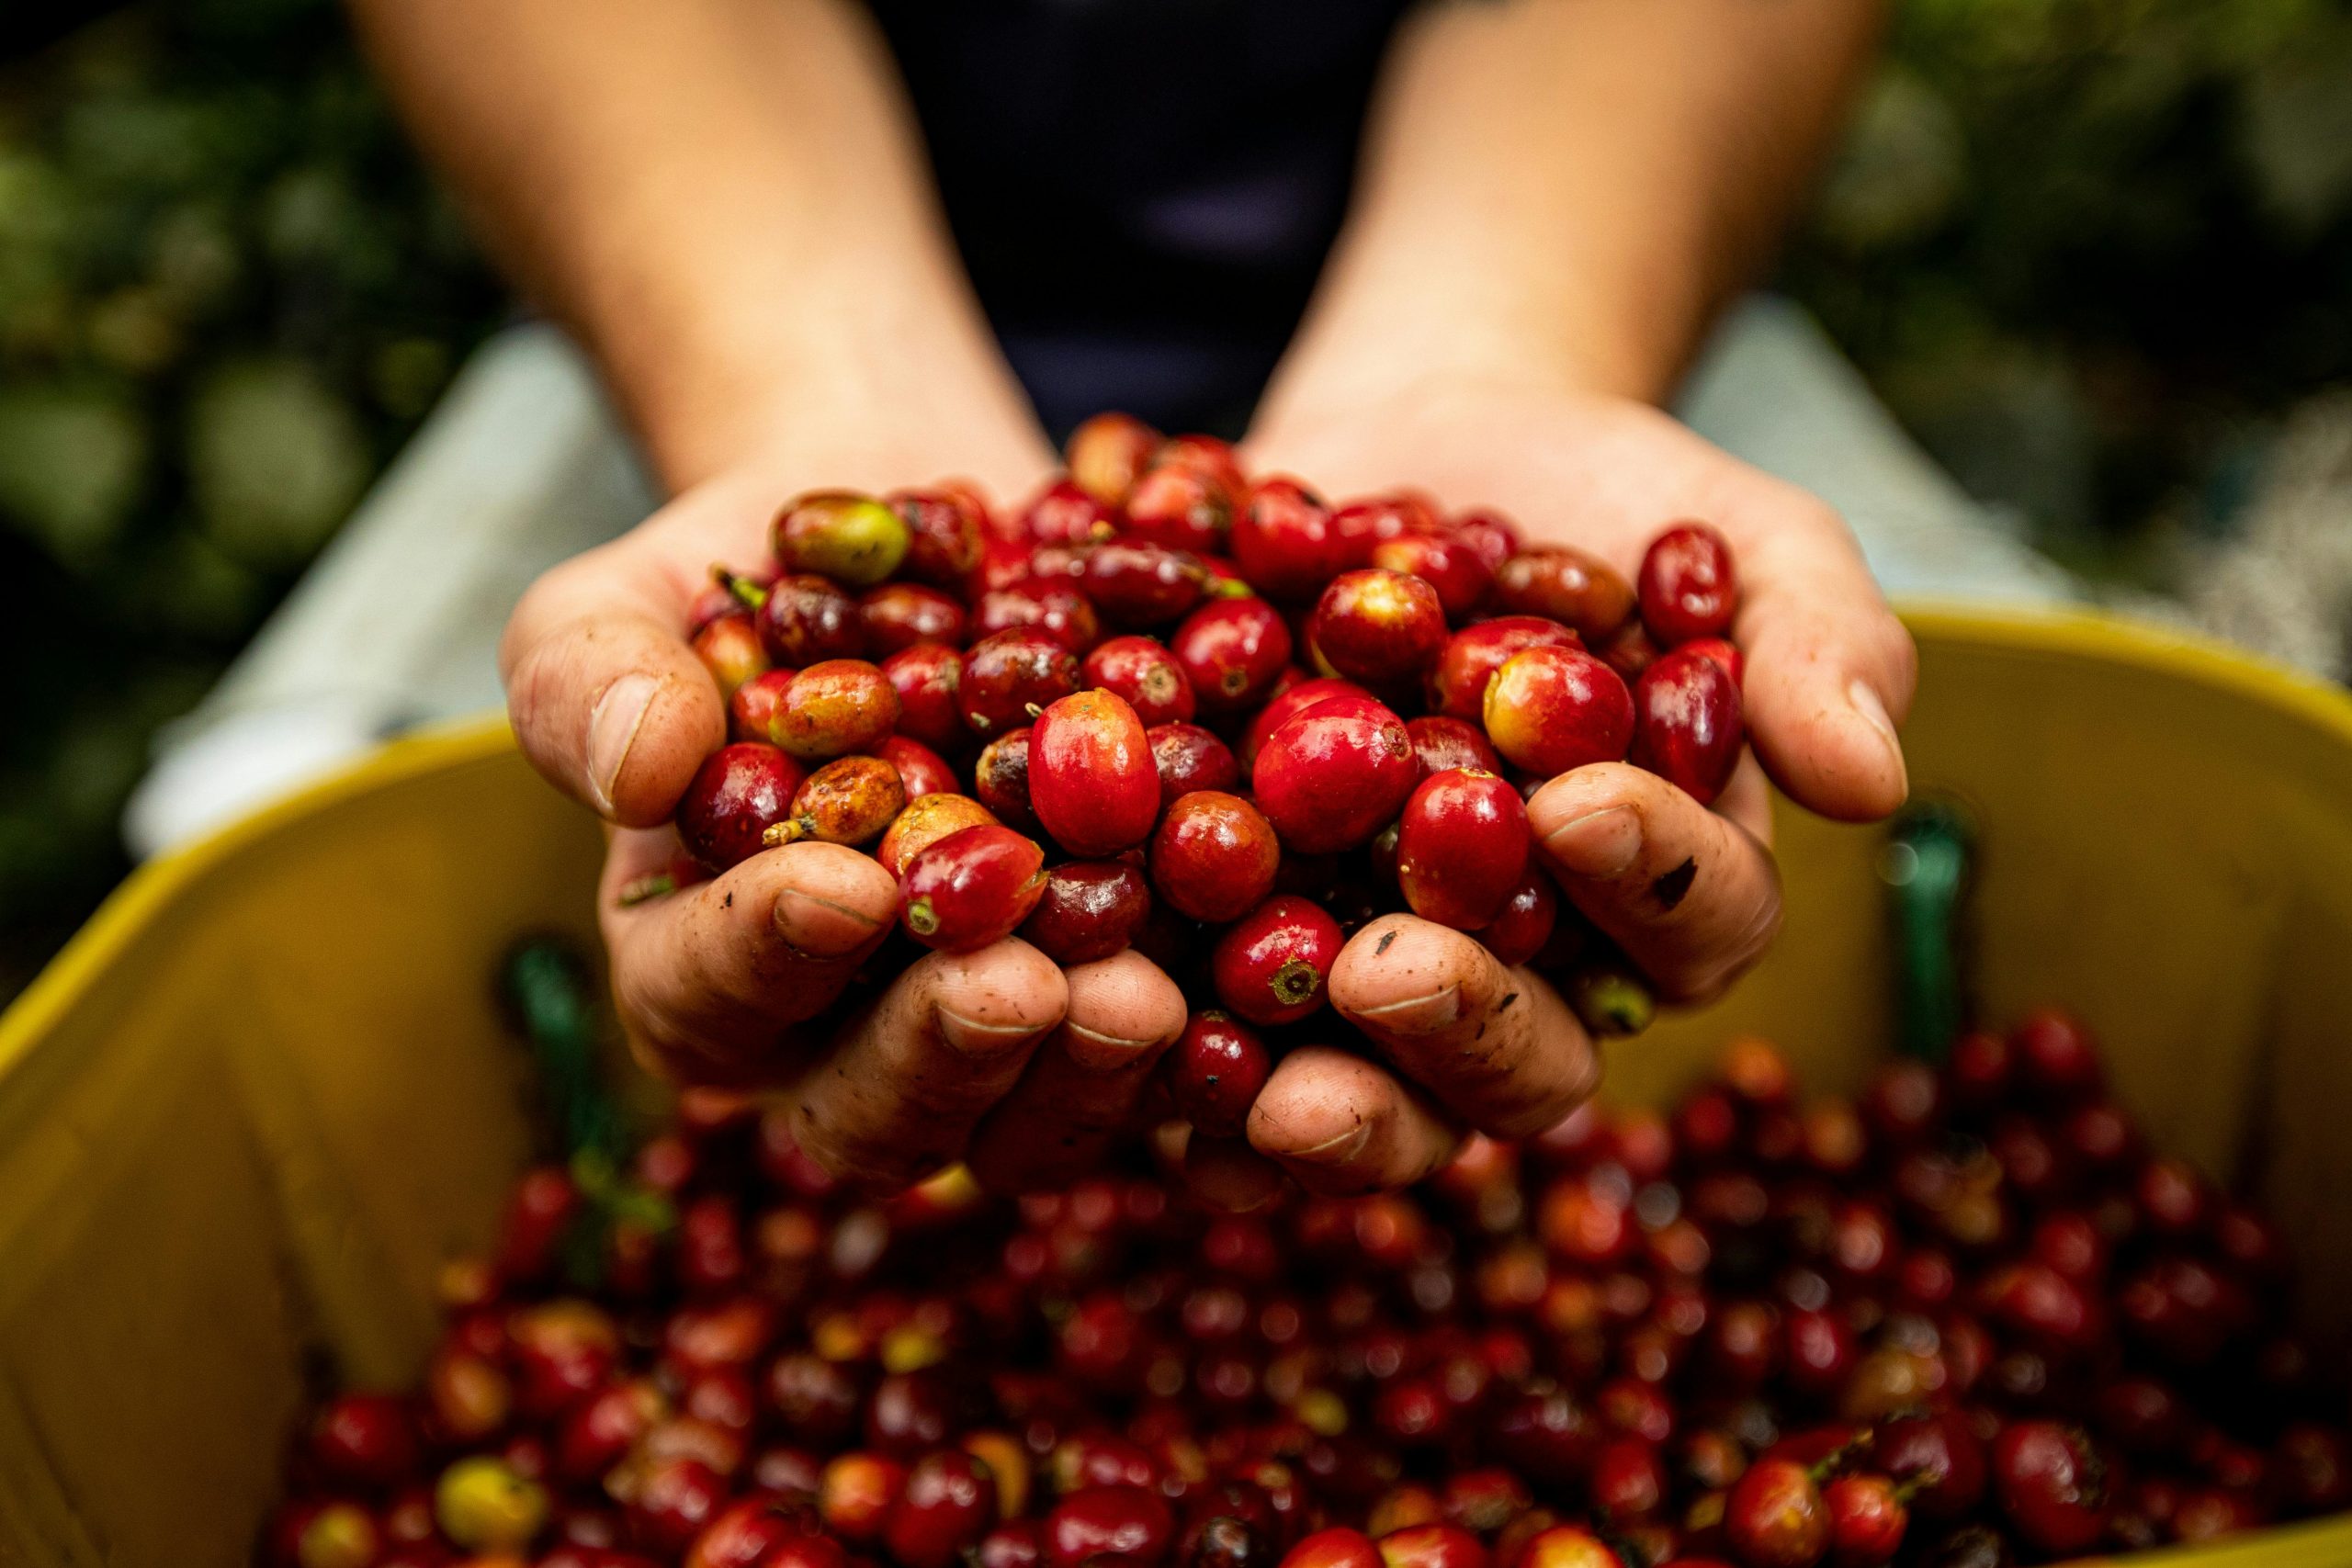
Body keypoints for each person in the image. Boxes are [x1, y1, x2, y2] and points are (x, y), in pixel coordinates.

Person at [351, 0, 1915, 1202]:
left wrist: (1510, 349)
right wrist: (796, 384)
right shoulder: (1025, 689)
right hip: (737, 262)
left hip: (1553, 242)